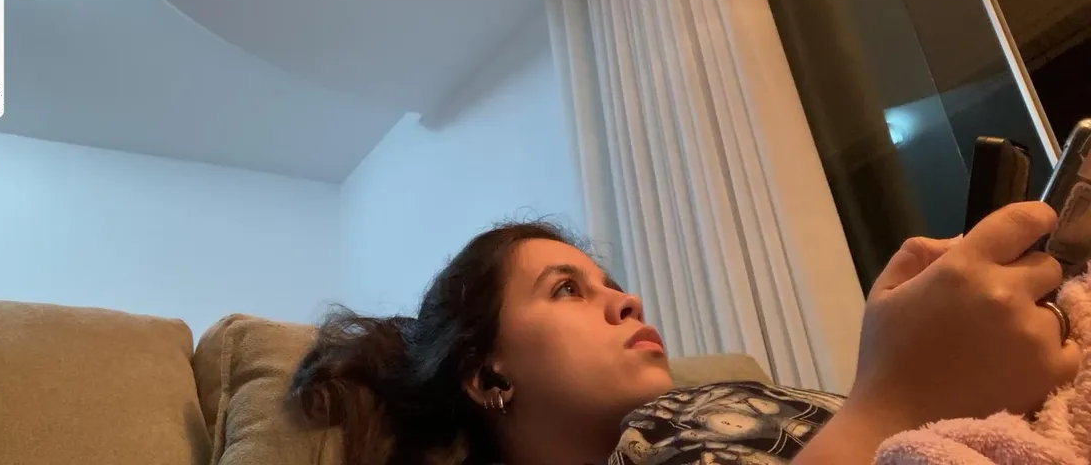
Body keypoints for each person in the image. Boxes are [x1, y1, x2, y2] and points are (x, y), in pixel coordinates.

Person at [287, 202, 1081, 465]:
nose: (626, 300)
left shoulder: (715, 405)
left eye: (609, 282)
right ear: (489, 375)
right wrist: (897, 393)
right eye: (566, 290)